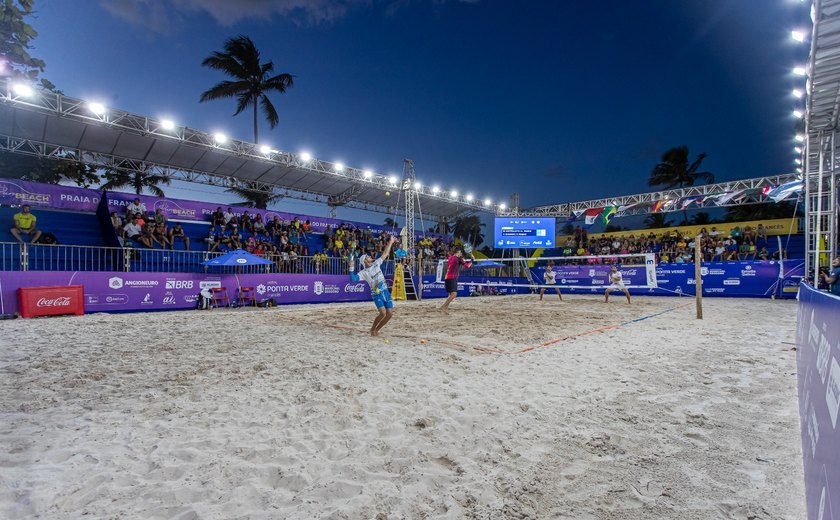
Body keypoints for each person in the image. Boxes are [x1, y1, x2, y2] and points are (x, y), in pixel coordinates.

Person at [349, 235, 397, 336]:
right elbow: (353, 279)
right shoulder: (363, 272)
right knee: (383, 313)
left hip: (385, 292)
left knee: (389, 314)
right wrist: (351, 268)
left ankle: (376, 330)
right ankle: (372, 329)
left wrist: (391, 242)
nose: (371, 257)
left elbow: (385, 253)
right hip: (376, 294)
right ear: (365, 261)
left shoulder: (376, 263)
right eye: (368, 257)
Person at [439, 246, 474, 313]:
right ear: (458, 252)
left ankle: (445, 308)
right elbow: (467, 266)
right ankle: (444, 306)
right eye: (460, 252)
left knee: (450, 294)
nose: (461, 254)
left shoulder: (450, 258)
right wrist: (472, 260)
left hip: (447, 277)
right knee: (454, 294)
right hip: (452, 278)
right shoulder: (459, 259)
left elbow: (455, 264)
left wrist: (462, 259)